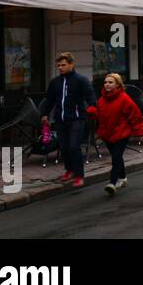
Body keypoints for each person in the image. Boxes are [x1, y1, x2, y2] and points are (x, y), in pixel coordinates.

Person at [38, 53, 96, 188]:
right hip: (60, 120)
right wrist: (44, 114)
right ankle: (69, 170)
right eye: (58, 65)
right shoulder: (55, 82)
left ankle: (79, 175)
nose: (60, 68)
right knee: (64, 148)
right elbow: (49, 100)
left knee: (74, 147)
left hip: (77, 119)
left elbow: (90, 94)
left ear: (71, 64)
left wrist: (92, 106)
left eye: (63, 65)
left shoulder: (81, 80)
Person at [87, 73, 143, 196]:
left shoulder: (125, 99)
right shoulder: (102, 100)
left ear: (118, 85)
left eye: (110, 82)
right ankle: (123, 178)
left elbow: (135, 116)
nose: (107, 84)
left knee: (116, 158)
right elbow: (100, 116)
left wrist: (139, 132)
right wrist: (92, 112)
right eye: (105, 82)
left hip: (121, 133)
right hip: (108, 134)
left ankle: (112, 183)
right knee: (117, 156)